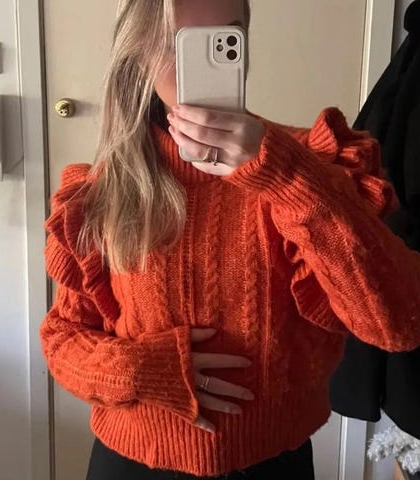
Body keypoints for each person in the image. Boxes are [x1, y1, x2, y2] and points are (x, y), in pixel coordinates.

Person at [39, 1, 420, 479]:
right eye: (180, 44)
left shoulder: (313, 168)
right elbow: (63, 339)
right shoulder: (105, 191)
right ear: (137, 53)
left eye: (227, 37)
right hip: (130, 464)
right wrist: (140, 370)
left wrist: (285, 176)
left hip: (274, 466)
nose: (205, 58)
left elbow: (397, 323)